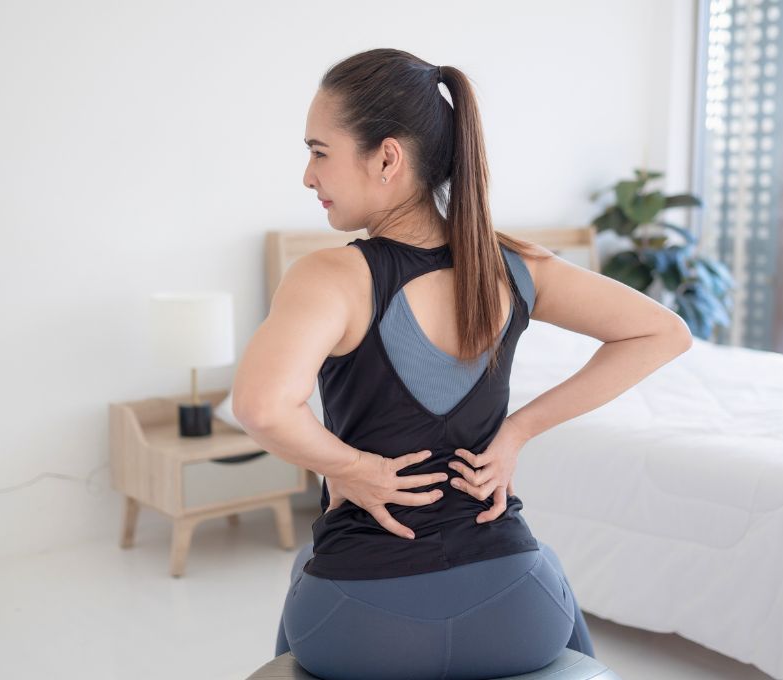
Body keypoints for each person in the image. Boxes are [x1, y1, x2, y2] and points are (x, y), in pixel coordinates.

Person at [233, 48, 693, 680]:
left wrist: (354, 468)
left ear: (387, 157)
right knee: (551, 575)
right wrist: (517, 432)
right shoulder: (516, 265)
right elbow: (662, 332)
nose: (308, 177)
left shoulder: (330, 275)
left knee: (305, 576)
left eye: (319, 152)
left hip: (362, 626)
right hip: (516, 615)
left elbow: (261, 407)